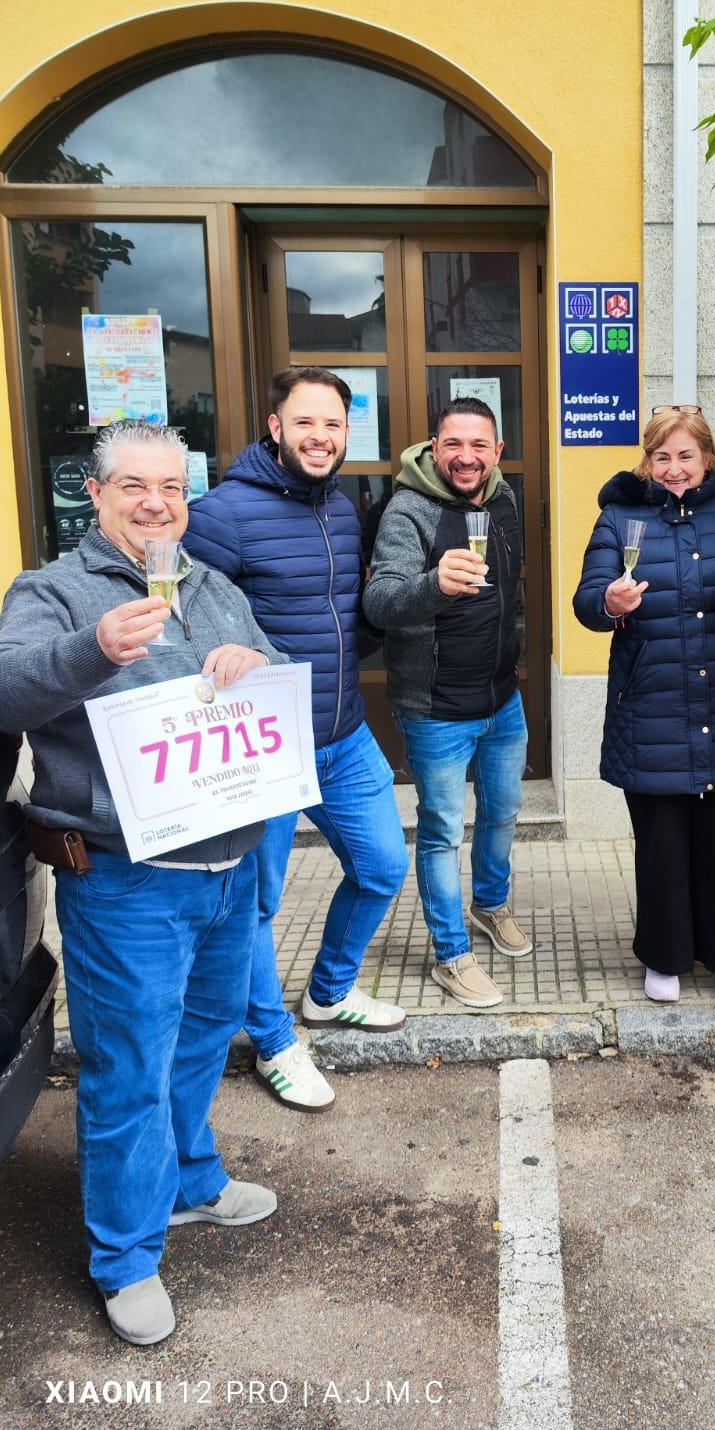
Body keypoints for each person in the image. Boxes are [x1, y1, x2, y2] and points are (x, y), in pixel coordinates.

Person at [0, 421, 284, 1346]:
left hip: (230, 866)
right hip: (126, 881)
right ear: (97, 490)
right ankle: (125, 1257)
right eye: (137, 487)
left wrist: (256, 663)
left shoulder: (215, 584)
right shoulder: (52, 590)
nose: (158, 503)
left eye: (172, 487)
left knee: (202, 1042)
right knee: (127, 1069)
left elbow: (273, 672)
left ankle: (193, 1179)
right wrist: (93, 650)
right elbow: (2, 693)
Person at [183, 366, 409, 1113]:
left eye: (335, 425)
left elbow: (344, 614)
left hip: (343, 735)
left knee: (381, 865)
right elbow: (191, 628)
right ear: (275, 427)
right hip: (264, 747)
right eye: (306, 423)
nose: (322, 437)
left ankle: (329, 991)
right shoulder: (220, 514)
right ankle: (274, 1040)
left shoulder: (341, 507)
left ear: (350, 433)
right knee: (255, 907)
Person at [572, 406, 715, 1019]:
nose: (674, 468)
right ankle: (664, 955)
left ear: (707, 459)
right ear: (647, 460)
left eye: (685, 456)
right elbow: (587, 600)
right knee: (660, 844)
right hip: (652, 704)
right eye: (661, 457)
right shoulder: (619, 516)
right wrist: (610, 600)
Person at [365, 397, 529, 1009]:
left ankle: (489, 905)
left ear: (496, 452)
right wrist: (434, 584)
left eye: (478, 446)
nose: (466, 458)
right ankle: (451, 954)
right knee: (440, 832)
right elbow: (379, 602)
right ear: (435, 449)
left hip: (502, 699)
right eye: (453, 445)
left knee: (504, 811)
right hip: (435, 708)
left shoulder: (505, 502)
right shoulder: (407, 510)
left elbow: (511, 597)